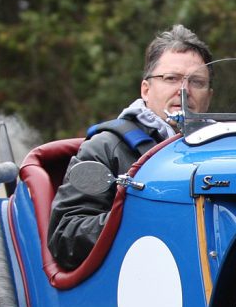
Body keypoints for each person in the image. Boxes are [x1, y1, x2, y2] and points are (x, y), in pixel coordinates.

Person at [48, 23, 212, 270]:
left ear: (209, 96)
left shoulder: (227, 148)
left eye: (196, 82)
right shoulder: (105, 147)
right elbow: (66, 236)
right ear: (146, 89)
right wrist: (137, 218)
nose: (184, 90)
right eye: (171, 79)